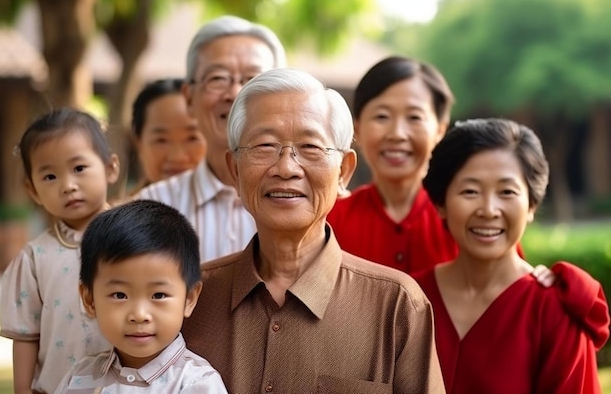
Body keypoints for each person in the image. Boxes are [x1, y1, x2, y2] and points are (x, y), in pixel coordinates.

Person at [182, 68, 446, 393]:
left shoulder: (397, 307)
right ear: (235, 170)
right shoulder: (189, 300)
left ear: (344, 172)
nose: (286, 168)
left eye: (310, 147)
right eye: (264, 145)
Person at [413, 118, 610, 393]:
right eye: (470, 191)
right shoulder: (409, 301)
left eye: (507, 192)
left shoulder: (554, 311)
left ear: (531, 205)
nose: (489, 210)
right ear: (441, 203)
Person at [136, 15, 286, 261]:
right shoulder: (150, 208)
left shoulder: (310, 203)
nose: (236, 93)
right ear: (189, 97)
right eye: (218, 78)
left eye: (253, 80)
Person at [0, 108, 120, 394]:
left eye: (79, 168)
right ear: (33, 191)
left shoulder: (138, 239)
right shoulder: (34, 258)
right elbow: (26, 335)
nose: (68, 186)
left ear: (110, 168)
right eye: (50, 176)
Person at [53, 200, 228, 393]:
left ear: (189, 299)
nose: (139, 314)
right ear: (89, 300)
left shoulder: (196, 384)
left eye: (158, 295)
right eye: (120, 295)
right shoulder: (78, 379)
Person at [327, 56, 457, 273]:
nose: (397, 134)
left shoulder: (462, 218)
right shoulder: (329, 220)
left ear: (440, 129)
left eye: (414, 117)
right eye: (382, 116)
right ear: (357, 129)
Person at [130, 78, 207, 192]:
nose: (178, 157)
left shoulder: (239, 207)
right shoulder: (118, 209)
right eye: (161, 140)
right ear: (139, 144)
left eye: (192, 138)